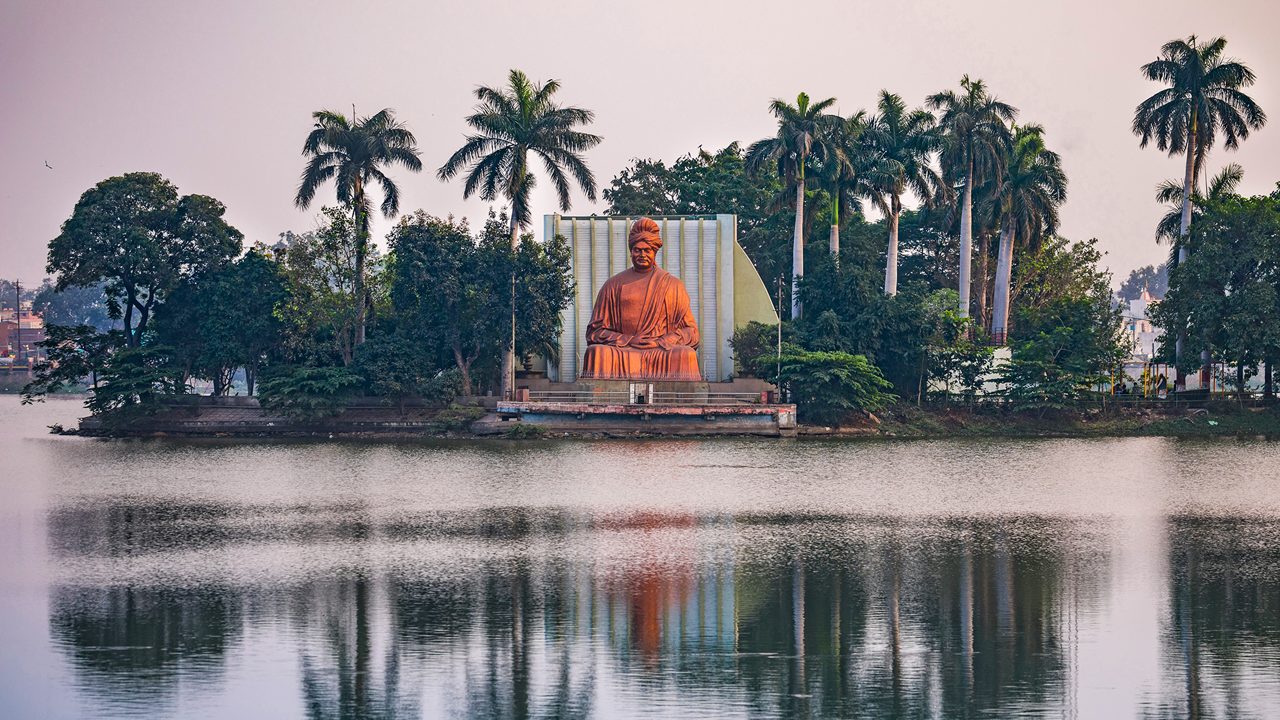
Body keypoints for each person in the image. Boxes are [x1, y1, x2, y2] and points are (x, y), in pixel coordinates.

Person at [580, 218, 701, 381]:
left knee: (685, 354)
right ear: (631, 251)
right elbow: (594, 332)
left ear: (654, 252)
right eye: (637, 250)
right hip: (624, 351)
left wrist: (663, 341)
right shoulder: (613, 285)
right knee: (596, 353)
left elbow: (692, 332)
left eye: (647, 250)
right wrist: (628, 339)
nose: (642, 255)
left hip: (660, 352)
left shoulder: (672, 285)